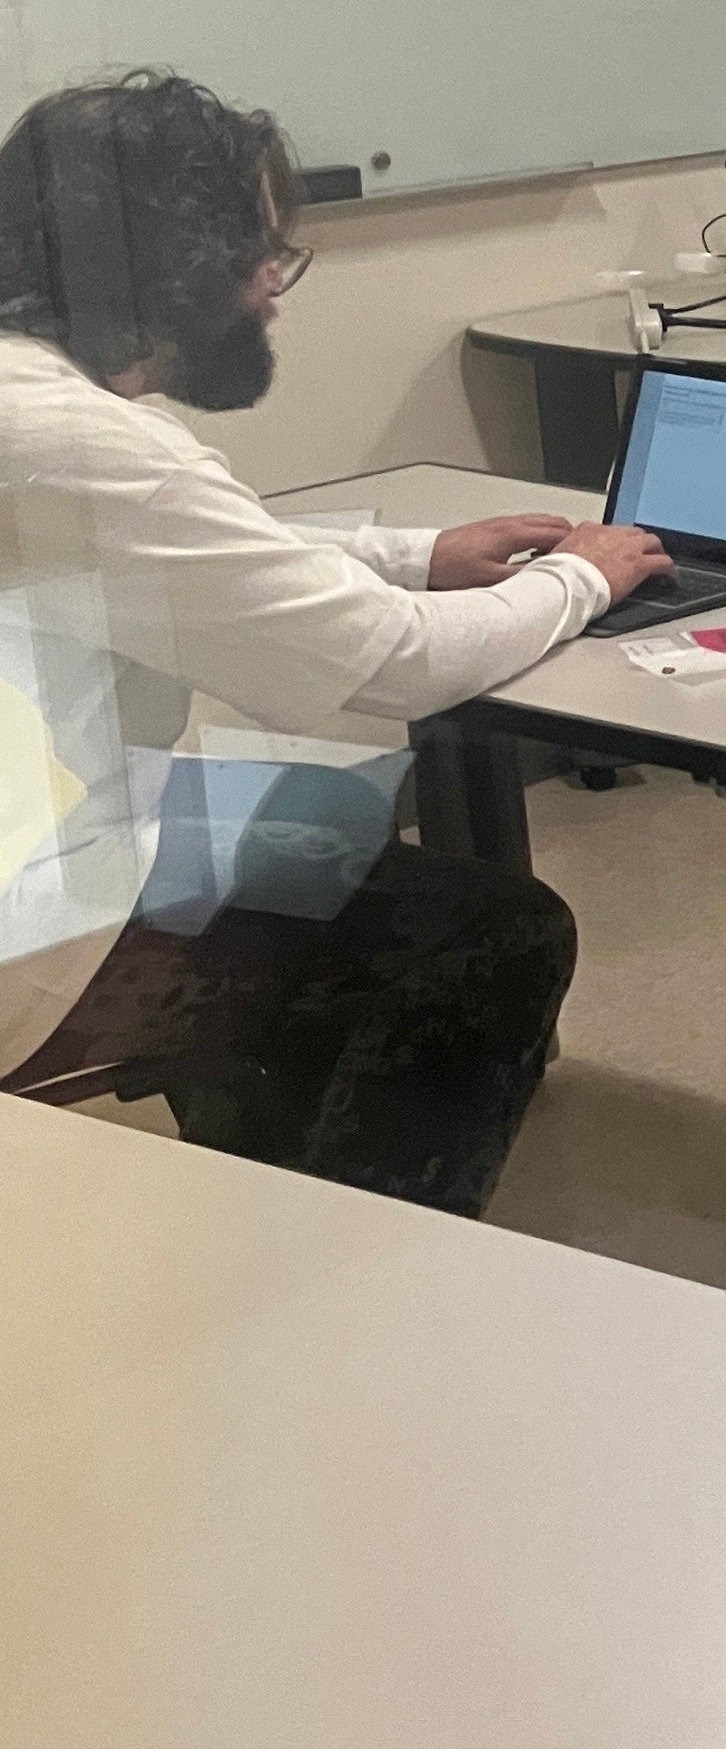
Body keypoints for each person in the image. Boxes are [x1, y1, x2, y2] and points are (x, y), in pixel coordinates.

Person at [0, 70, 673, 1214]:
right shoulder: (80, 443)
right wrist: (583, 577)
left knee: (314, 819)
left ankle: (262, 1186)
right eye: (261, 253)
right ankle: (358, 1261)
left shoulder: (38, 411)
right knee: (494, 934)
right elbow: (394, 662)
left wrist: (412, 553)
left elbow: (180, 552)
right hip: (33, 922)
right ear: (173, 265)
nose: (274, 284)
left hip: (44, 824)